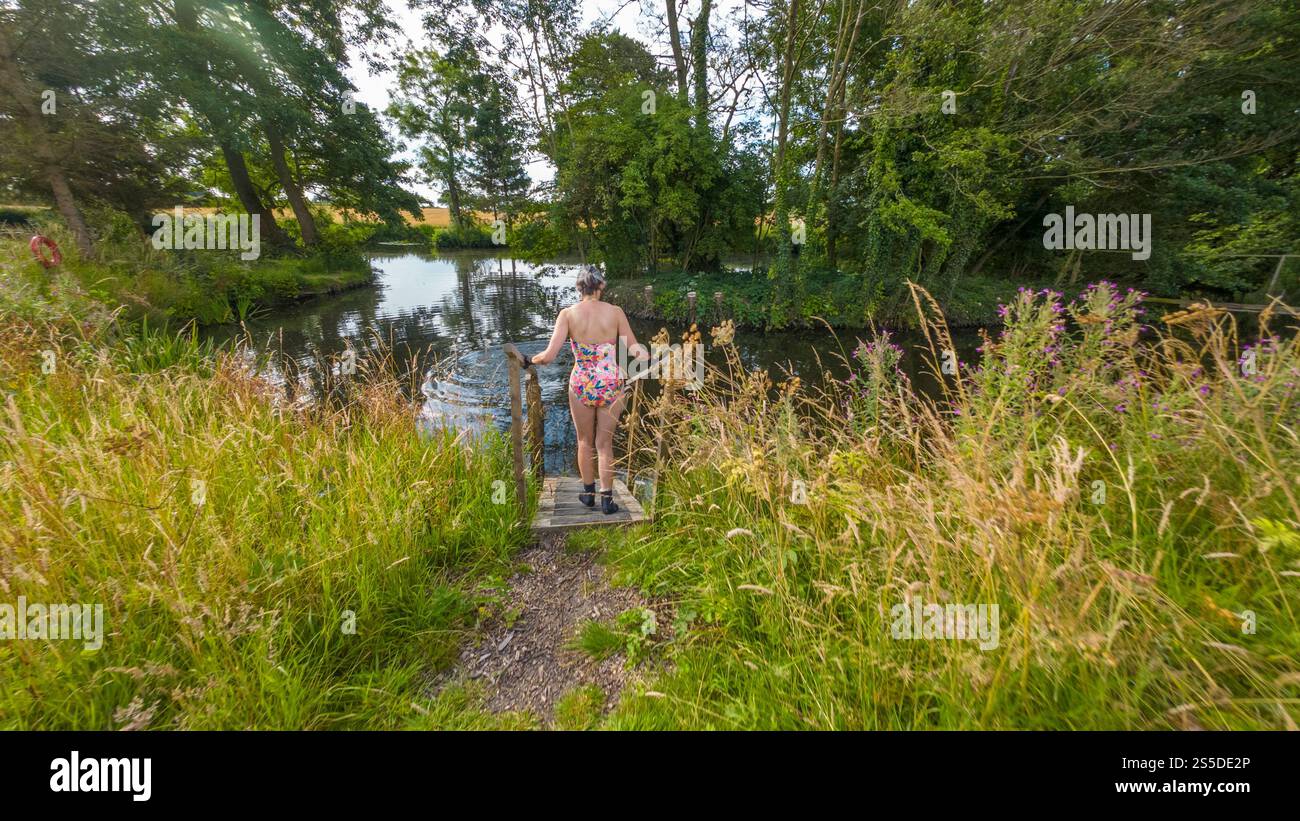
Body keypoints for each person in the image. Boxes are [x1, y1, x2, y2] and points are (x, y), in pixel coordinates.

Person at [523, 265, 648, 514]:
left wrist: (528, 361)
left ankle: (588, 495)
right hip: (612, 383)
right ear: (601, 286)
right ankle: (608, 500)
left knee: (584, 441)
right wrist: (649, 357)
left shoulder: (567, 314)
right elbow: (636, 350)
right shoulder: (615, 313)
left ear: (579, 288)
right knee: (605, 443)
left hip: (581, 383)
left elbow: (548, 356)